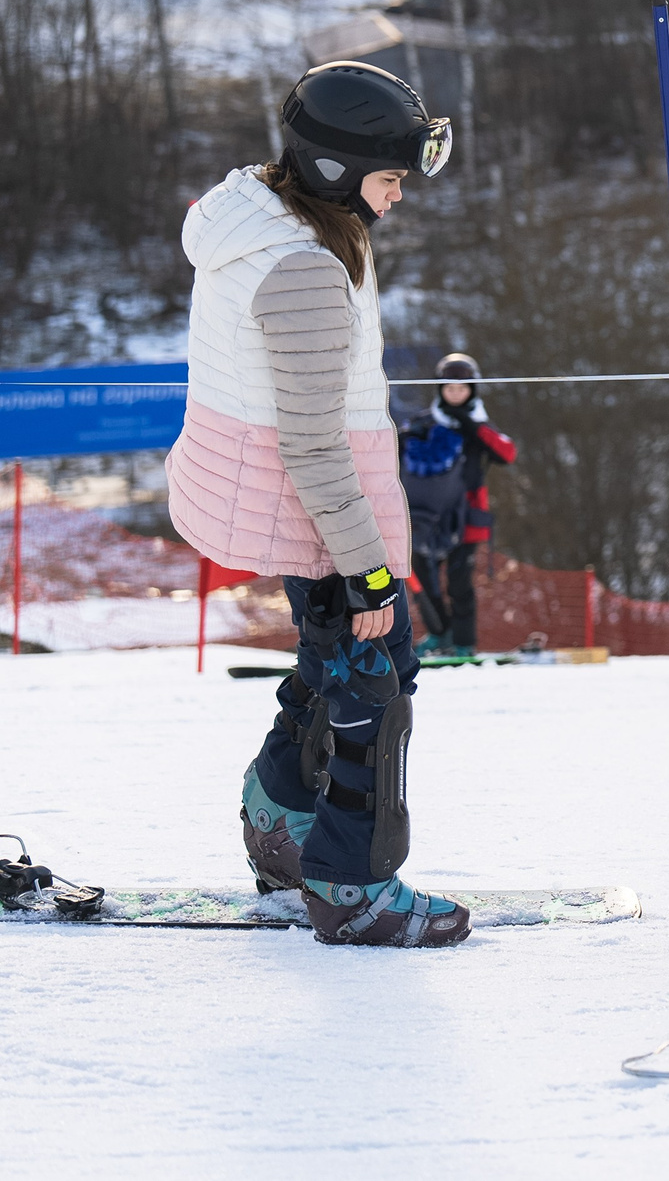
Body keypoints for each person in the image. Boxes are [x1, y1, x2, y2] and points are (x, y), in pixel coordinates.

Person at [166, 61, 469, 947]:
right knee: (374, 682)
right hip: (323, 513)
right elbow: (310, 440)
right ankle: (352, 882)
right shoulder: (302, 268)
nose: (398, 197)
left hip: (302, 505)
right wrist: (371, 570)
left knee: (332, 663)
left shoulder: (272, 217)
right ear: (337, 172)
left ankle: (280, 825)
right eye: (389, 178)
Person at [398, 352, 517, 657]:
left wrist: (472, 428)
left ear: (472, 390)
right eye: (449, 388)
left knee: (459, 581)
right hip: (426, 517)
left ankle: (464, 643)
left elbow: (507, 453)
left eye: (461, 389)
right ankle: (440, 633)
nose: (455, 394)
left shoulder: (479, 426)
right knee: (423, 576)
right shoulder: (425, 421)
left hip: (468, 517)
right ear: (439, 389)